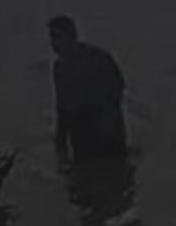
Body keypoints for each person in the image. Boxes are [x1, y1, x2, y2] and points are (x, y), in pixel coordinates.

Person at [48, 15, 129, 161]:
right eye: (52, 38)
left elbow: (118, 89)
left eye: (57, 37)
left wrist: (106, 120)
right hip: (82, 143)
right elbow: (62, 109)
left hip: (108, 139)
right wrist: (60, 144)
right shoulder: (59, 69)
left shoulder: (98, 59)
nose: (54, 43)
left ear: (72, 36)